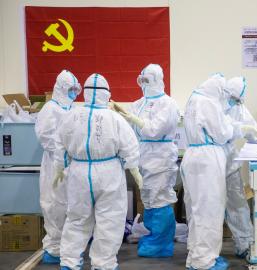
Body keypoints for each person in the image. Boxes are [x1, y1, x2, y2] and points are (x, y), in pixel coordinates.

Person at [53, 73, 142, 270]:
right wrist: (134, 169)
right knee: (110, 220)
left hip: (79, 171)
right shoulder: (115, 118)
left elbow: (58, 144)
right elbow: (130, 146)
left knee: (77, 218)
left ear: (85, 93)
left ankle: (69, 262)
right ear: (106, 93)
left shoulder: (70, 116)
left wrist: (59, 167)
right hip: (108, 172)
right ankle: (103, 264)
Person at [181, 74, 257, 270]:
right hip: (209, 161)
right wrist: (240, 129)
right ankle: (204, 261)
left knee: (197, 210)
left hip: (196, 159)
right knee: (210, 210)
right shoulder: (209, 103)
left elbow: (248, 130)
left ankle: (196, 255)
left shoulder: (195, 98)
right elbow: (223, 132)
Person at [119, 63, 179, 257]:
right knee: (148, 198)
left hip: (161, 156)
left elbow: (154, 130)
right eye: (141, 79)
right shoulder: (138, 103)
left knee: (159, 198)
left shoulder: (168, 103)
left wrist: (135, 120)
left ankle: (161, 244)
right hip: (143, 155)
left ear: (157, 79)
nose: (143, 83)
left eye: (147, 79)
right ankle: (154, 237)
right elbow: (130, 131)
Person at [34, 70, 81, 264]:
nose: (73, 93)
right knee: (54, 204)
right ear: (61, 88)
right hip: (55, 164)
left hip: (70, 164)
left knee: (70, 204)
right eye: (70, 89)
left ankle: (68, 247)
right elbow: (45, 137)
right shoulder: (50, 109)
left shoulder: (70, 108)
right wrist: (63, 152)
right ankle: (54, 249)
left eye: (75, 89)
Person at [223, 76, 257, 259]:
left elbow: (253, 131)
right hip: (210, 165)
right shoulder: (211, 106)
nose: (234, 102)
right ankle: (203, 250)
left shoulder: (238, 107)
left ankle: (245, 244)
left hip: (228, 164)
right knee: (207, 209)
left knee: (237, 205)